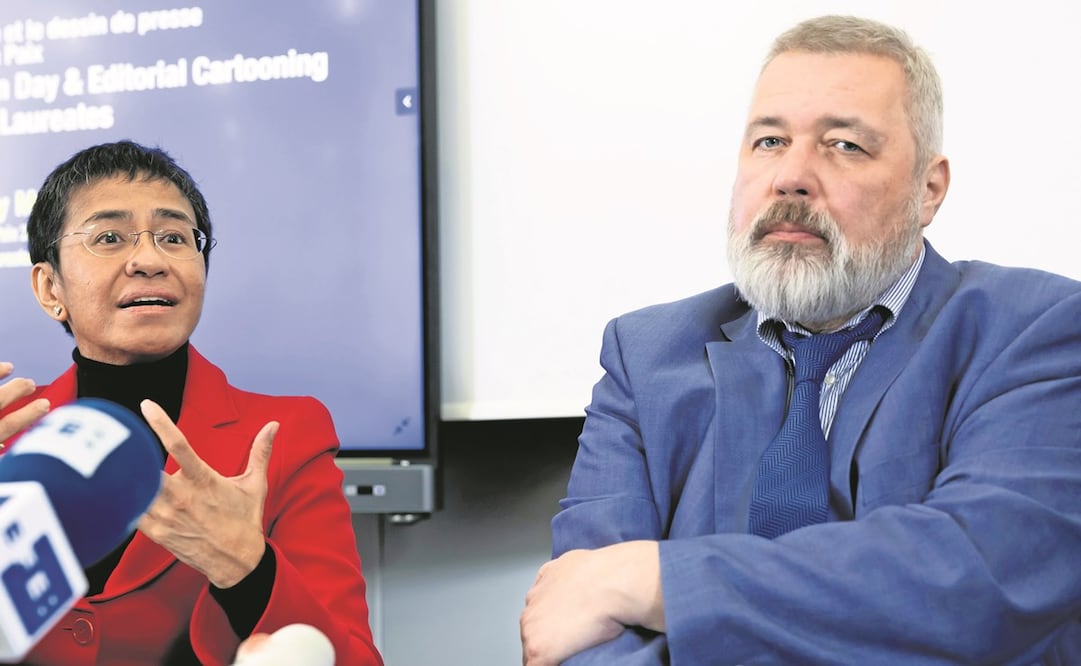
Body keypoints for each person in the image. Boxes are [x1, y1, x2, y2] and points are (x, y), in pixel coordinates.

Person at [520, 14, 1081, 665]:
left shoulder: (1032, 332)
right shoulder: (643, 357)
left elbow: (972, 583)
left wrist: (654, 580)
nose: (791, 176)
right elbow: (577, 630)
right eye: (768, 142)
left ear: (928, 190)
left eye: (843, 145)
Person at [0, 140, 383, 665]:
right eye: (109, 236)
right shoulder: (9, 433)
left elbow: (354, 660)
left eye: (175, 237)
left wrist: (247, 567)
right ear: (50, 288)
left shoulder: (284, 434)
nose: (150, 260)